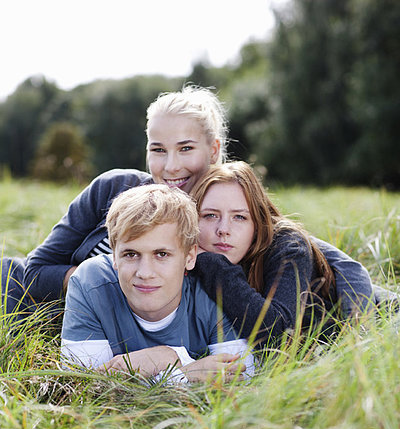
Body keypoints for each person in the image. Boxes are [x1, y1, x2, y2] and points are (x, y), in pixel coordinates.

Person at [1, 85, 376, 318]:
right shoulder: (113, 188)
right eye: (158, 150)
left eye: (186, 149)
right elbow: (36, 271)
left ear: (214, 150)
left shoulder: (228, 221)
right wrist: (109, 276)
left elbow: (344, 268)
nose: (171, 166)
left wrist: (365, 329)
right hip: (65, 311)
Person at [61, 184, 253, 383]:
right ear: (114, 256)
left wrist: (167, 362)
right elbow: (83, 387)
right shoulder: (90, 282)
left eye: (162, 254)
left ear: (190, 256)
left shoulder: (213, 289)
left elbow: (242, 377)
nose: (145, 273)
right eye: (131, 254)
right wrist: (181, 370)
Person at [190, 161, 377, 344]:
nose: (223, 229)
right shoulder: (182, 254)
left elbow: (277, 335)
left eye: (239, 217)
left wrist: (212, 263)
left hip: (382, 328)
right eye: (210, 215)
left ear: (258, 223)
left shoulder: (288, 248)